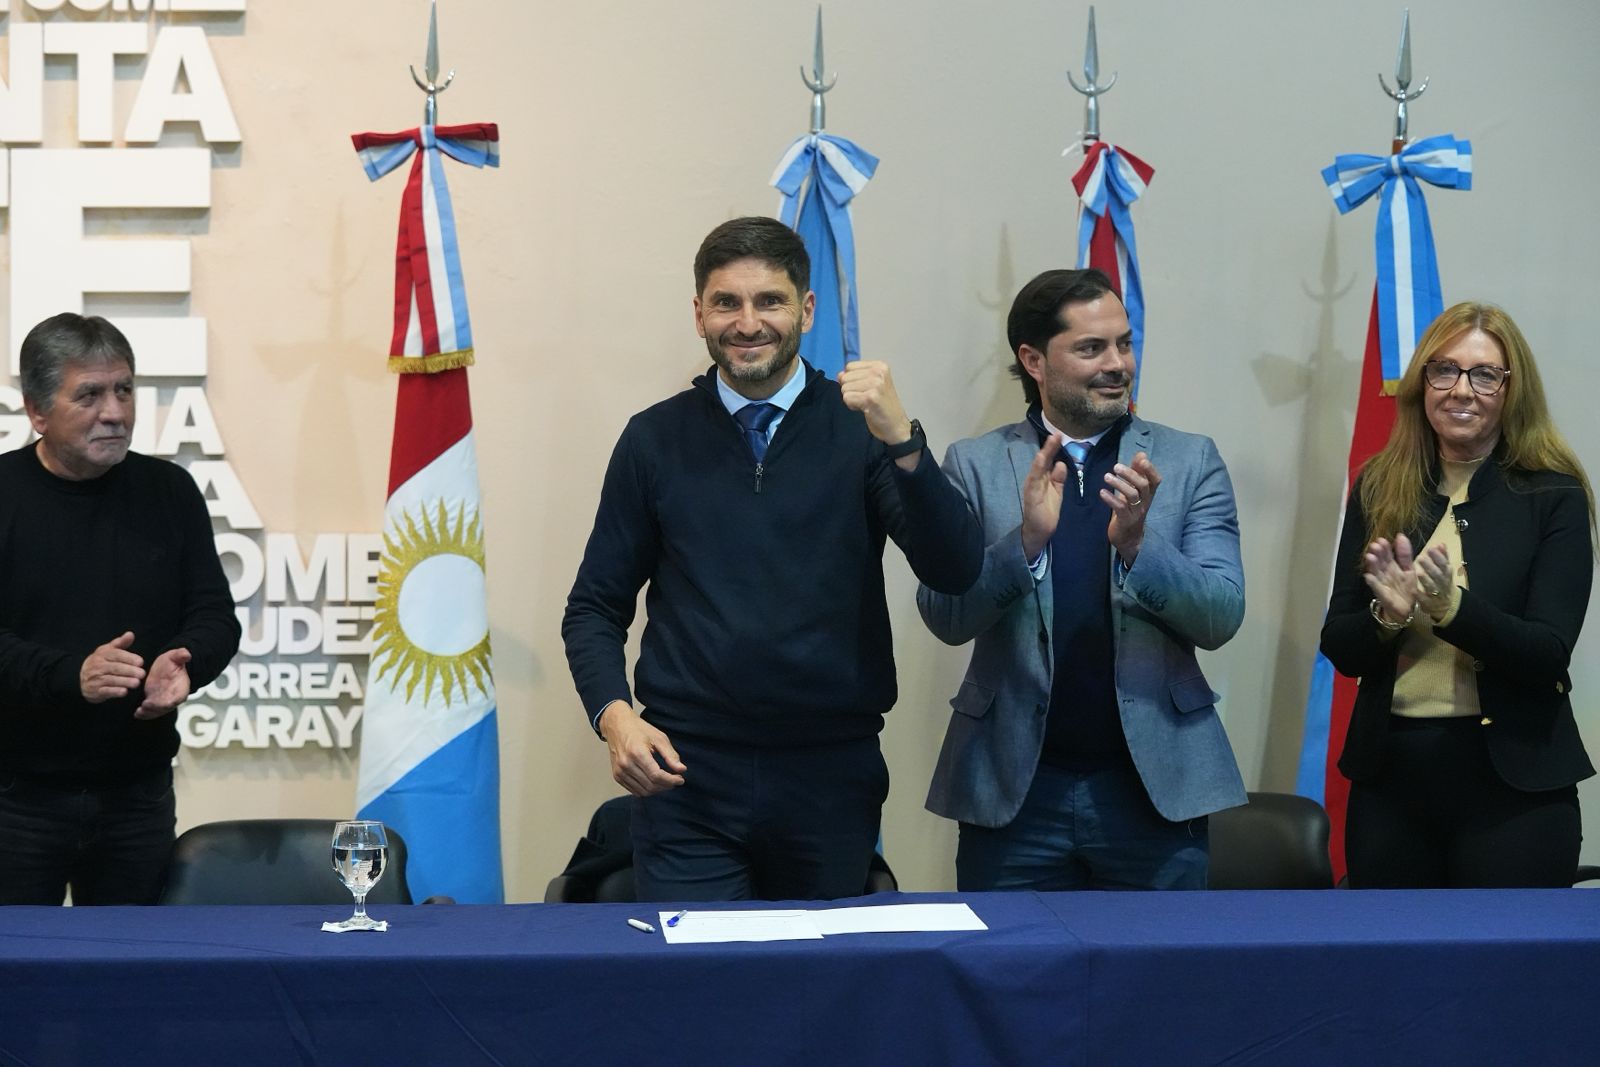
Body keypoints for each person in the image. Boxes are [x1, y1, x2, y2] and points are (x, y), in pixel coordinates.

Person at [562, 216, 982, 902]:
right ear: (699, 314)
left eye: (770, 301)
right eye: (726, 302)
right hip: (686, 777)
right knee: (698, 969)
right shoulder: (653, 438)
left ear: (807, 310)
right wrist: (615, 717)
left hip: (829, 774)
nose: (748, 322)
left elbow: (955, 571)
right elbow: (594, 607)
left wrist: (904, 442)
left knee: (818, 970)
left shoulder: (865, 430)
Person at [916, 268, 1247, 891]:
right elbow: (946, 615)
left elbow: (1220, 616)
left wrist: (1139, 546)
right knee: (1008, 956)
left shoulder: (1188, 459)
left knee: (1158, 958)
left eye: (1124, 343)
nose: (1117, 364)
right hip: (1014, 791)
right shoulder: (974, 464)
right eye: (1091, 348)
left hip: (1154, 788)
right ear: (1033, 360)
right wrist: (1025, 543)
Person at [1320, 302, 1595, 888]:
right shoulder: (1379, 485)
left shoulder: (1553, 494)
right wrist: (1387, 617)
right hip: (1392, 781)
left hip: (1514, 788)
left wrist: (1454, 610)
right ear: (1423, 382)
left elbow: (1547, 652)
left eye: (1485, 374)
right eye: (1444, 370)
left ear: (1512, 389)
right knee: (1390, 946)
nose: (1461, 390)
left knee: (1505, 950)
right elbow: (1340, 645)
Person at [0, 313, 241, 905]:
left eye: (124, 389)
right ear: (36, 411)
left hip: (138, 799)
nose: (115, 412)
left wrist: (188, 661)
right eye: (89, 395)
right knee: (17, 962)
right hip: (16, 801)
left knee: (135, 961)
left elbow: (214, 613)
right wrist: (70, 676)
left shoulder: (170, 491)